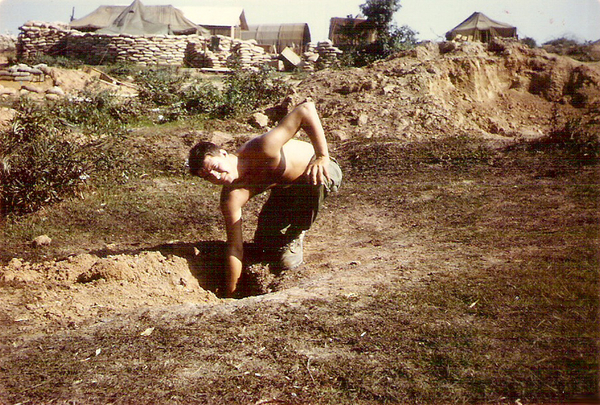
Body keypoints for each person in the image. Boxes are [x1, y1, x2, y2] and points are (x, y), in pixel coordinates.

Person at [188, 99, 342, 297]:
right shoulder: (231, 197)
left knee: (316, 179)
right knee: (263, 246)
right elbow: (235, 247)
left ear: (224, 154)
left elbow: (306, 109)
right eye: (208, 177)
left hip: (321, 170)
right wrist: (230, 295)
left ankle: (297, 231)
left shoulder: (261, 148)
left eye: (215, 168)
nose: (216, 177)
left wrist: (322, 156)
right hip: (285, 189)